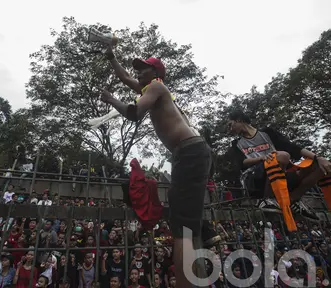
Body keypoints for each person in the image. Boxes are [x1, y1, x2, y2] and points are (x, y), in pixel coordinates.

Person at [102, 46, 219, 288]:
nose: (138, 72)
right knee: (184, 220)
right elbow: (125, 78)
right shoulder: (151, 89)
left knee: (182, 228)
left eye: (143, 68)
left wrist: (111, 99)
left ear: (155, 72)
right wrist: (111, 56)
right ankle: (202, 240)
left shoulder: (155, 87)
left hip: (190, 151)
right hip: (187, 153)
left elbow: (134, 112)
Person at [228, 110, 331, 220]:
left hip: (280, 174)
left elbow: (292, 147)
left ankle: (292, 200)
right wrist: (262, 158)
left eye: (231, 125)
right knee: (282, 156)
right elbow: (241, 163)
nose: (230, 129)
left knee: (319, 165)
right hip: (255, 178)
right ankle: (268, 199)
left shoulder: (267, 133)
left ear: (239, 120)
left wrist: (318, 158)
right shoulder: (237, 144)